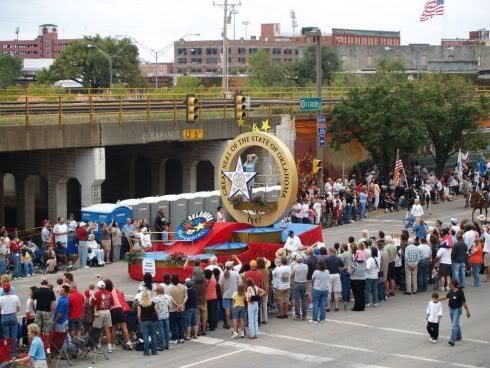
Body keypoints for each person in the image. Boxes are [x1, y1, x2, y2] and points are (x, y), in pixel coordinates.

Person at [438, 279, 471, 346]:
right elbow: (445, 297)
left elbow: (464, 303)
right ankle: (459, 336)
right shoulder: (451, 291)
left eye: (450, 283)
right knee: (455, 323)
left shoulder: (460, 292)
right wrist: (437, 299)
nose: (449, 284)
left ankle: (452, 340)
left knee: (454, 326)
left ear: (454, 285)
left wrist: (467, 312)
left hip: (457, 310)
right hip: (451, 309)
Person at [105, 279, 132, 351]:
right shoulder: (114, 290)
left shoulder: (106, 293)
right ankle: (128, 342)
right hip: (119, 308)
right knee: (124, 327)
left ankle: (113, 345)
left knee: (113, 328)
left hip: (112, 310)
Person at [91, 280, 114, 353]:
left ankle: (97, 346)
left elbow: (92, 303)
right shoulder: (109, 293)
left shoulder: (96, 294)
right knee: (107, 330)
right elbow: (112, 303)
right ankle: (109, 347)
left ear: (98, 287)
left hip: (99, 312)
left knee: (97, 330)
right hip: (107, 311)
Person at [219, 261, 241, 330]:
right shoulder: (236, 273)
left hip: (225, 295)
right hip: (235, 294)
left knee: (227, 310)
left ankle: (227, 323)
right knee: (234, 309)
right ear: (232, 266)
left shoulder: (222, 274)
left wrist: (222, 293)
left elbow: (221, 285)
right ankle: (236, 323)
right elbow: (240, 283)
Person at [0, 283, 20, 356]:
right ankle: (13, 353)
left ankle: (7, 352)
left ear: (4, 290)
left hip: (4, 316)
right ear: (10, 289)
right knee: (14, 335)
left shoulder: (1, 298)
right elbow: (18, 309)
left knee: (6, 336)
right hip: (13, 315)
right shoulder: (15, 297)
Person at [138, 290, 158, 356]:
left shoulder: (140, 305)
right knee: (153, 336)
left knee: (145, 336)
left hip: (144, 321)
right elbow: (156, 312)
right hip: (152, 321)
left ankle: (146, 352)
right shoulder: (152, 303)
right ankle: (154, 351)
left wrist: (140, 321)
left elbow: (138, 315)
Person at [168, 274, 187, 344]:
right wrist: (181, 304)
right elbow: (186, 297)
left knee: (173, 325)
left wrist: (177, 305)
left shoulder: (170, 288)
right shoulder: (183, 287)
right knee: (180, 324)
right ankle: (181, 337)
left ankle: (174, 338)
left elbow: (171, 298)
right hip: (181, 308)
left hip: (173, 309)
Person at [350, 244, 367, 312]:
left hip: (355, 279)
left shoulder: (355, 263)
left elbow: (350, 271)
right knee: (362, 293)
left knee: (356, 294)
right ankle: (362, 306)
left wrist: (349, 266)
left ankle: (357, 307)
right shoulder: (364, 262)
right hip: (363, 279)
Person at [291, 254, 308, 320]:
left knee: (297, 300)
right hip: (304, 283)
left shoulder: (295, 267)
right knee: (303, 299)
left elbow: (291, 275)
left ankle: (298, 315)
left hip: (297, 283)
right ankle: (304, 315)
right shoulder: (306, 266)